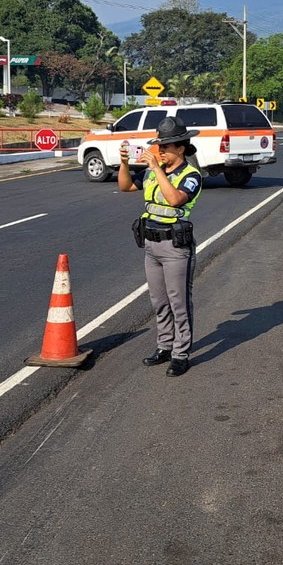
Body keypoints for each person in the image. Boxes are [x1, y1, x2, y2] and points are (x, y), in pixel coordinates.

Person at [118, 116, 203, 377]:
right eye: (159, 147)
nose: (160, 151)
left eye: (165, 147)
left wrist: (157, 169)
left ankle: (181, 354)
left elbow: (176, 199)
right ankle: (165, 346)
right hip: (151, 245)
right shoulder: (153, 172)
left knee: (179, 302)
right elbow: (125, 186)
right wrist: (124, 162)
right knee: (159, 301)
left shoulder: (191, 175)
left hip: (176, 248)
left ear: (180, 147)